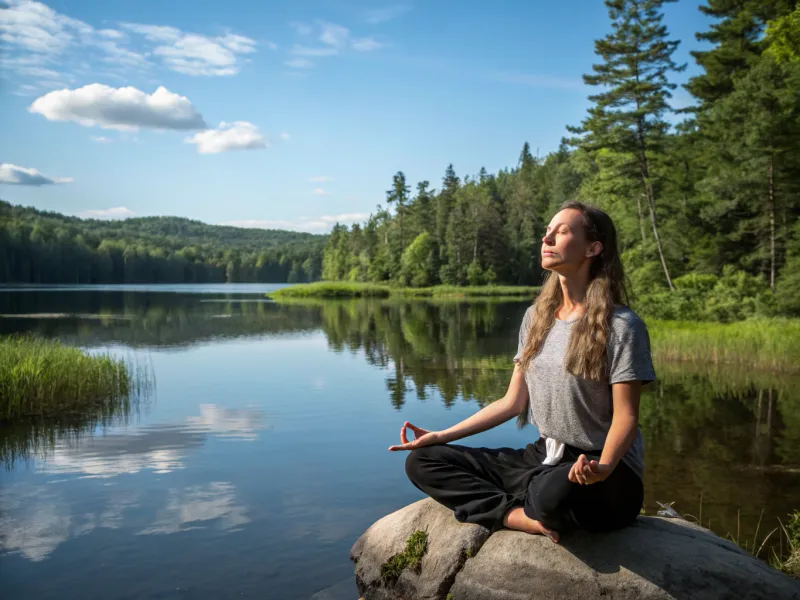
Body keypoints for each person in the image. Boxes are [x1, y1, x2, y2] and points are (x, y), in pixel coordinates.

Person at [388, 201, 655, 543]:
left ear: (593, 248)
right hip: (544, 456)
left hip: (606, 474)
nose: (547, 238)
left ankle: (530, 503)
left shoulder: (621, 326)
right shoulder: (536, 319)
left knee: (552, 493)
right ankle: (516, 516)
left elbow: (626, 416)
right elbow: (512, 403)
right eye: (547, 231)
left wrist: (603, 467)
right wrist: (441, 435)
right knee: (423, 461)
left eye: (561, 232)